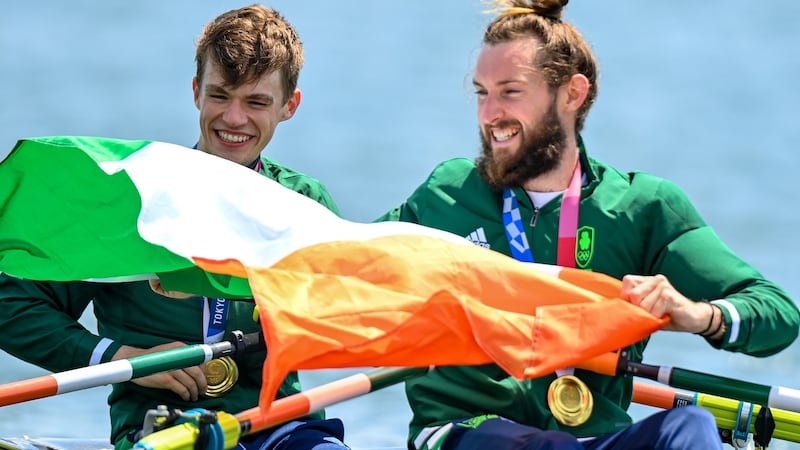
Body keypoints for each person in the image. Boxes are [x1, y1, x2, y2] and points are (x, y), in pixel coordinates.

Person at [377, 0, 800, 449]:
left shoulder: (643, 207)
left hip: (589, 437)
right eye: (482, 92)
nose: (489, 113)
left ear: (572, 95)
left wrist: (701, 316)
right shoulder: (446, 193)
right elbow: (338, 263)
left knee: (690, 427)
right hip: (467, 429)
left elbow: (778, 315)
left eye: (510, 91)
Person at [0, 5, 350, 450]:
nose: (234, 119)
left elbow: (341, 319)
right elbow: (10, 303)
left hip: (277, 423)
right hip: (162, 426)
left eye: (256, 102)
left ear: (289, 106)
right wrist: (116, 356)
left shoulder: (304, 204)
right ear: (195, 92)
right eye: (220, 95)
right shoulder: (131, 201)